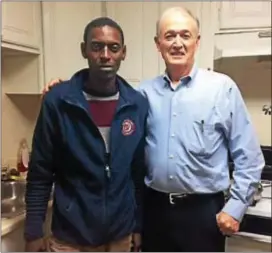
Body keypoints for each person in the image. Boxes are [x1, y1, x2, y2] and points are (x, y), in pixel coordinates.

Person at [43, 7, 265, 252]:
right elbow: (104, 96)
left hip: (202, 214)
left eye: (185, 35)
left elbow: (250, 158)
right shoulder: (142, 96)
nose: (177, 43)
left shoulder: (223, 89)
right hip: (154, 212)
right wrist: (63, 90)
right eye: (169, 36)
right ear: (158, 44)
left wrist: (235, 208)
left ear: (197, 41)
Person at [24, 17, 148, 252]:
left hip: (120, 237)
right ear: (84, 50)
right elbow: (40, 173)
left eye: (113, 47)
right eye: (96, 46)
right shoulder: (59, 101)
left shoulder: (137, 105)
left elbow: (137, 175)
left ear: (124, 53)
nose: (105, 55)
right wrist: (33, 232)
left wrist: (137, 227)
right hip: (70, 238)